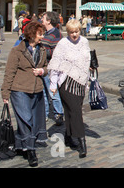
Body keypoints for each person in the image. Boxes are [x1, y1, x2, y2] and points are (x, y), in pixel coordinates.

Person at [1, 21, 48, 167]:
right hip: (19, 89)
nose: (42, 37)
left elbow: (46, 67)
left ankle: (23, 144)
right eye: (40, 34)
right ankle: (30, 151)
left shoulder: (42, 49)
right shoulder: (17, 51)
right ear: (32, 34)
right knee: (25, 118)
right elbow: (9, 72)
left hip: (37, 89)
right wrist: (5, 92)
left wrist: (42, 71)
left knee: (34, 119)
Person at [48, 19, 91, 159]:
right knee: (76, 112)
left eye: (77, 31)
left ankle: (68, 135)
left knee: (71, 111)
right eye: (71, 32)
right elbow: (55, 65)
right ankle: (81, 142)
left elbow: (86, 59)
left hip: (81, 82)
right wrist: (53, 85)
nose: (74, 35)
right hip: (66, 83)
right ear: (67, 31)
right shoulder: (62, 44)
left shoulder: (84, 41)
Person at [41, 11, 64, 126]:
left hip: (51, 67)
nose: (42, 20)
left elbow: (57, 53)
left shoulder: (56, 34)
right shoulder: (45, 33)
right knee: (44, 92)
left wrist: (42, 52)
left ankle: (59, 113)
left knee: (52, 92)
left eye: (43, 18)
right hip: (44, 67)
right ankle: (44, 114)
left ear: (49, 21)